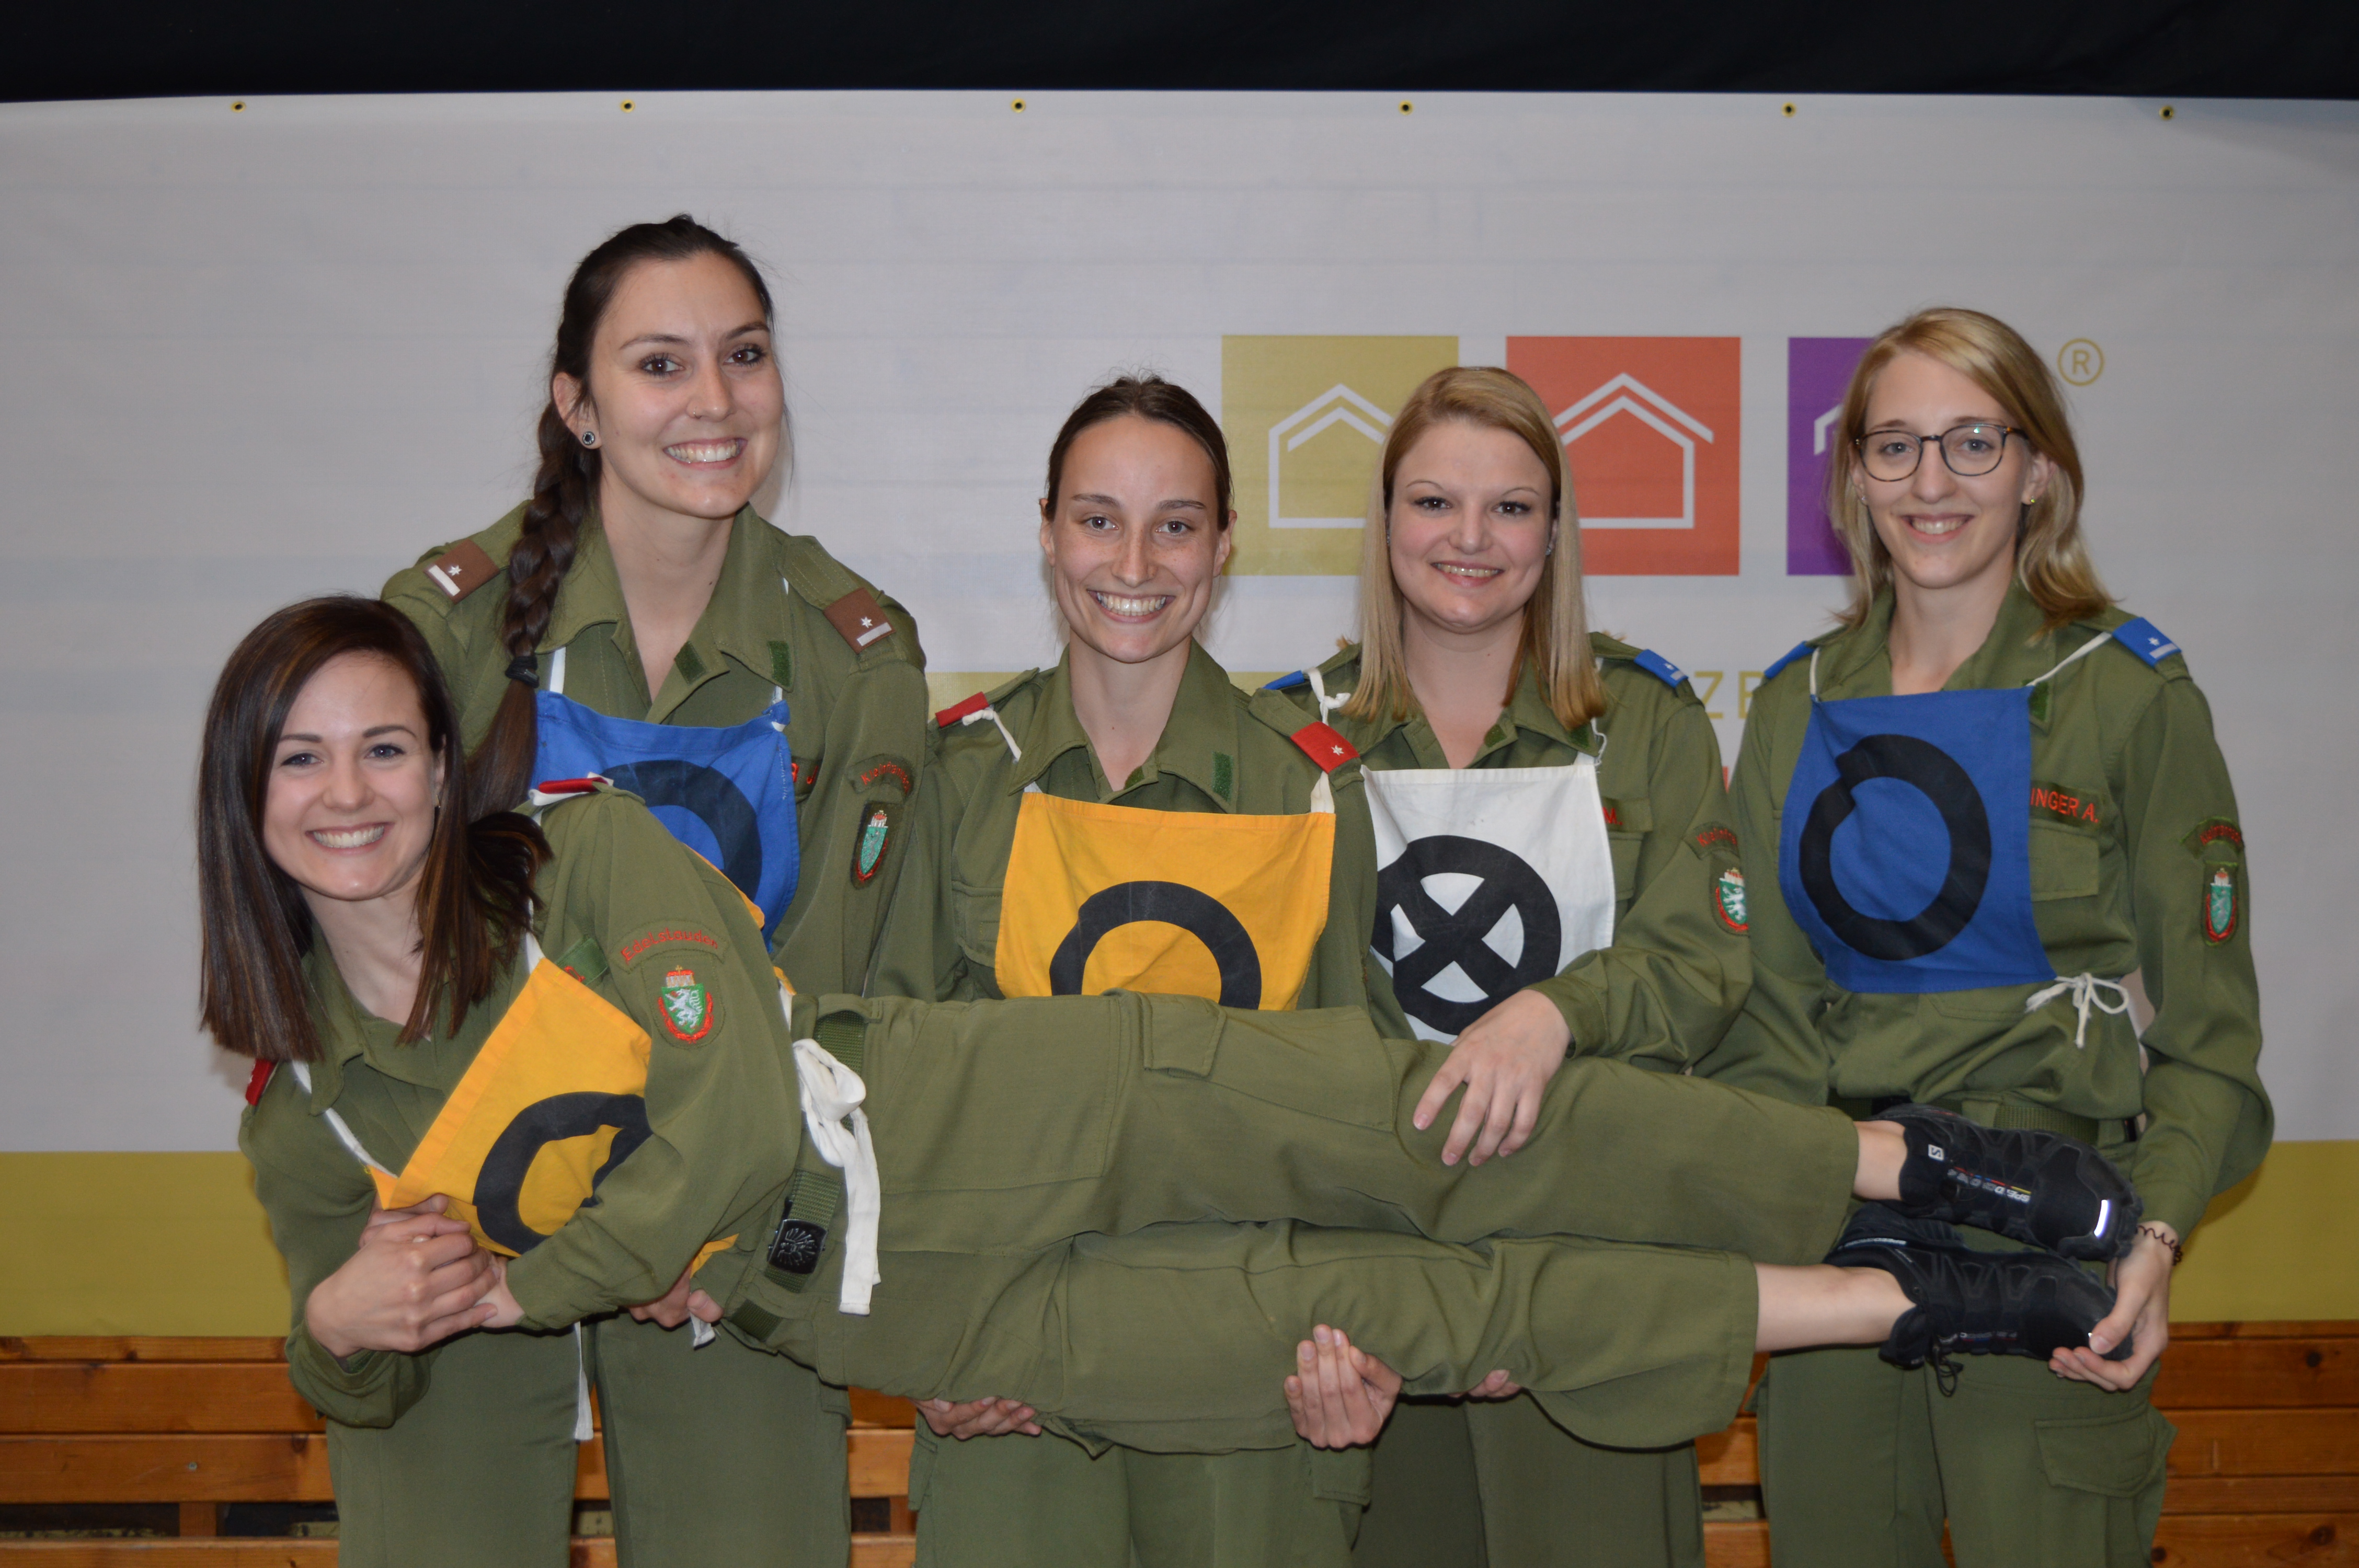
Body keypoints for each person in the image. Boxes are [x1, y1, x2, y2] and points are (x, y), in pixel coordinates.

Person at [212, 601, 2142, 1568]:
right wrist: (337, 1322)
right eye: (302, 761)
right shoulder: (314, 1108)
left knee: (1452, 1137)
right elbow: (347, 1351)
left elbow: (721, 1125)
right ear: (249, 803)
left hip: (1008, 1104)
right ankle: (1921, 1301)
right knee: (1423, 1312)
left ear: (443, 765)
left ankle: (1918, 1166)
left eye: (385, 748)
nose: (352, 796)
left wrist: (533, 1285)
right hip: (914, 1313)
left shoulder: (586, 859)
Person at [381, 216, 927, 1562]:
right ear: (579, 405)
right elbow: (376, 949)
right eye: (661, 364)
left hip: (732, 1237)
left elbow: (859, 994)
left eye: (744, 355)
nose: (715, 402)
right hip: (475, 1209)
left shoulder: (855, 652)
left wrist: (723, 1230)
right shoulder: (445, 626)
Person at [1698, 307, 2273, 1567]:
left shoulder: (2124, 695)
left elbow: (2213, 1036)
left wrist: (2154, 1242)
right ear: (1854, 476)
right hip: (1840, 1241)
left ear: (2039, 470)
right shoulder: (1796, 707)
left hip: (2051, 1237)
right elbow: (1762, 1023)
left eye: (1973, 441)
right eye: (1895, 446)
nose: (1933, 482)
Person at [865, 374, 1395, 1565]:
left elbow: (1364, 1101)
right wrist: (929, 1339)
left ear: (1225, 544)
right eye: (1099, 519)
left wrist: (1364, 1340)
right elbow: (892, 1090)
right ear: (1047, 531)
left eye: (1177, 524)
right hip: (1007, 1376)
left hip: (1247, 1373)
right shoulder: (961, 778)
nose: (1136, 563)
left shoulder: (1308, 786)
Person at [1268, 365, 1747, 1568]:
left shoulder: (1646, 722)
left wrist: (1557, 1014)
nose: (1470, 540)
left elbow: (1702, 966)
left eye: (1512, 508)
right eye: (1435, 502)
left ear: (1555, 531)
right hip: (1370, 1295)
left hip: (1592, 1277)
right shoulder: (1288, 737)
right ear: (1386, 522)